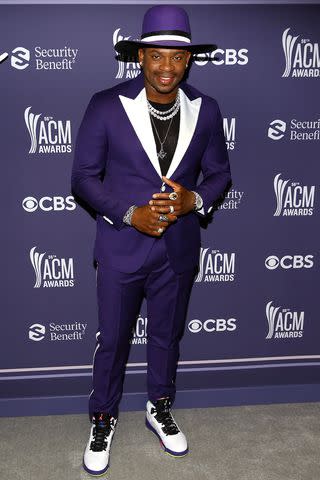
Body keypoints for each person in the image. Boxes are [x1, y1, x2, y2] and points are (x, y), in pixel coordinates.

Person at [72, 5, 231, 476]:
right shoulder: (106, 104)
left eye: (177, 58)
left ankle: (158, 407)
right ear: (140, 57)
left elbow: (220, 174)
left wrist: (194, 202)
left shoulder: (207, 109)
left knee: (167, 337)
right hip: (121, 247)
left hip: (178, 250)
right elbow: (82, 178)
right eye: (157, 56)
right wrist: (129, 213)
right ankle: (102, 418)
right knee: (114, 340)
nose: (167, 67)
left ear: (188, 61)